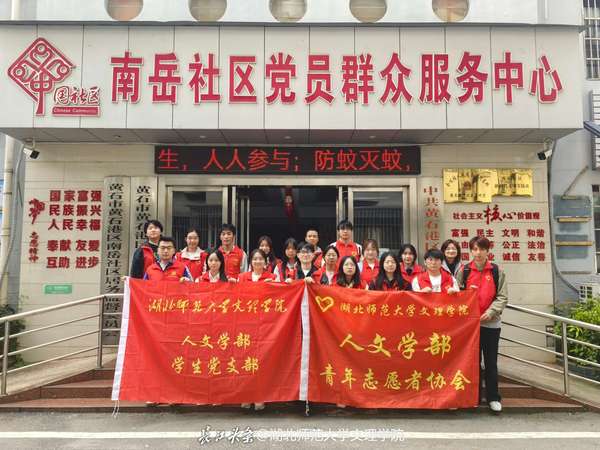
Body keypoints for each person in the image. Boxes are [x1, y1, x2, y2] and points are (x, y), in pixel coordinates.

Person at [456, 236, 508, 414]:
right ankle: (475, 396)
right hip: (470, 326)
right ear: (471, 251)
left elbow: (502, 296)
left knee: (491, 362)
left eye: (482, 249)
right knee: (473, 362)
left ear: (487, 251)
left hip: (491, 324)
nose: (478, 253)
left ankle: (493, 397)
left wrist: (491, 312)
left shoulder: (496, 271)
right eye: (475, 249)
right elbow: (457, 295)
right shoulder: (464, 270)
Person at [237, 248, 274, 411]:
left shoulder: (272, 278)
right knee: (245, 361)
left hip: (265, 325)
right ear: (250, 262)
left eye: (260, 259)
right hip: (245, 324)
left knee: (262, 362)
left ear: (266, 262)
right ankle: (245, 396)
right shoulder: (242, 277)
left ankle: (260, 397)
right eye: (255, 259)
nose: (257, 261)